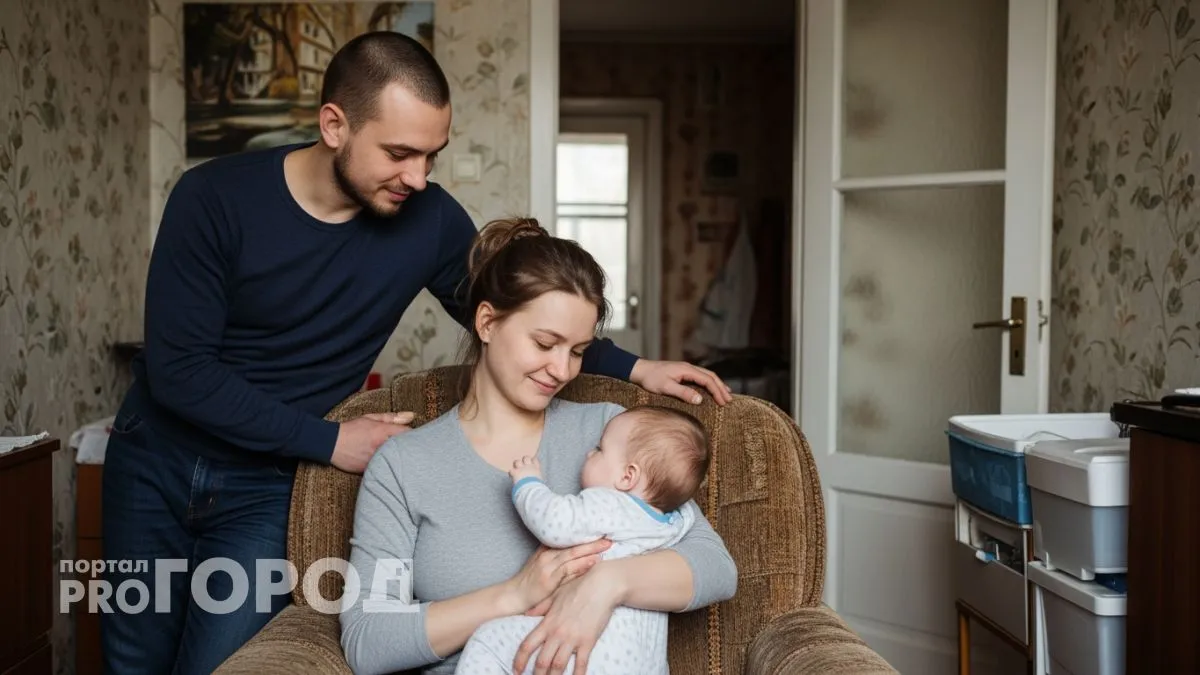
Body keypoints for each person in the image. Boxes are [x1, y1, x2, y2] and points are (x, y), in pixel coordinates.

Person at [100, 31, 731, 675]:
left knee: (220, 666)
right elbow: (181, 371)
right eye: (399, 153)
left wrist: (635, 367)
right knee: (132, 662)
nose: (418, 177)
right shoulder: (212, 198)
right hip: (156, 460)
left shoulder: (427, 219)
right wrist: (330, 441)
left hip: (266, 482)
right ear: (334, 125)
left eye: (432, 155)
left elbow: (521, 311)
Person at [339, 218, 738, 675]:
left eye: (578, 351)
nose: (562, 370)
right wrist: (514, 594)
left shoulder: (610, 432)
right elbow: (368, 640)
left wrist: (606, 584)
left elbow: (716, 567)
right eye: (545, 343)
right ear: (487, 322)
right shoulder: (403, 466)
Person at [454, 405, 712, 674]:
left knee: (488, 642)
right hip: (646, 663)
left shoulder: (609, 504)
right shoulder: (674, 523)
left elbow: (554, 522)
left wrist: (528, 483)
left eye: (599, 449)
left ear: (627, 476)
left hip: (591, 654)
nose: (589, 453)